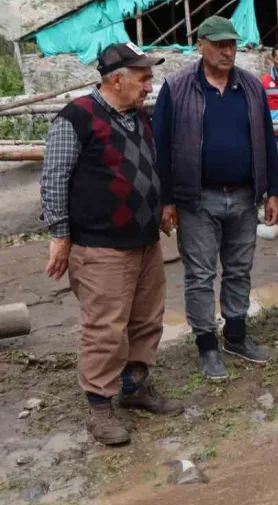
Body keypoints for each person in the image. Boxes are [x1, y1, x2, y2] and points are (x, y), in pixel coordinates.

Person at [41, 42, 183, 446]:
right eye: (143, 76)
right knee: (105, 328)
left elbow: (146, 169)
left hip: (143, 241)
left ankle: (135, 387)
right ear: (116, 80)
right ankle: (100, 409)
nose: (149, 84)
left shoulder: (137, 116)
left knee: (145, 319)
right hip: (100, 246)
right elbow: (53, 178)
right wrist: (59, 235)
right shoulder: (76, 118)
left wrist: (159, 208)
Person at [153, 16, 278, 380]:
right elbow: (161, 148)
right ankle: (206, 345)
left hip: (244, 196)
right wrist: (167, 201)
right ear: (201, 45)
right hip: (197, 199)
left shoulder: (251, 88)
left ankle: (236, 335)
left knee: (240, 268)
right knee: (200, 273)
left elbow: (268, 144)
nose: (228, 51)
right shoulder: (177, 88)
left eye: (232, 44)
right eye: (219, 44)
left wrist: (273, 191)